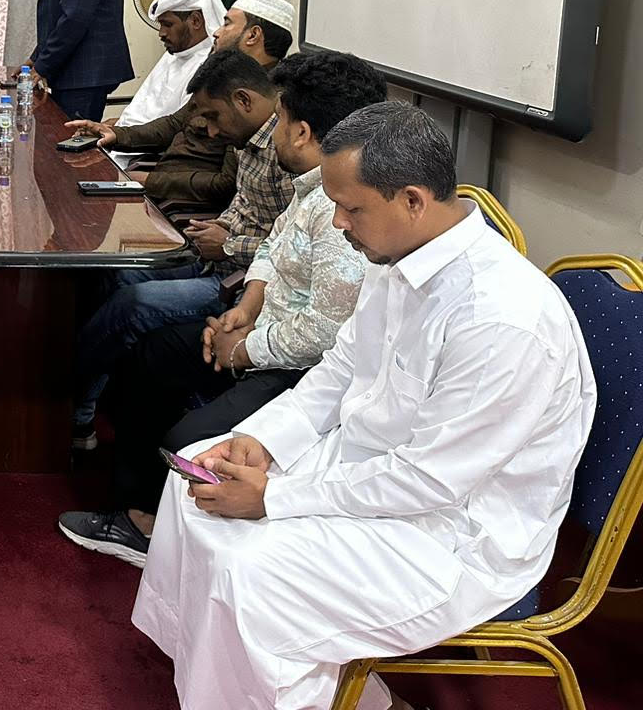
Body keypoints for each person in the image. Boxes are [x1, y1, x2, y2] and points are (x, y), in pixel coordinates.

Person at [133, 102, 595, 710]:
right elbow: (341, 369)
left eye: (351, 208)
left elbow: (431, 480)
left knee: (254, 571)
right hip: (370, 471)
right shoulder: (398, 252)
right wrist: (264, 439)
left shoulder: (502, 319)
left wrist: (276, 498)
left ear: (412, 200)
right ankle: (257, 685)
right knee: (198, 468)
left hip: (451, 534)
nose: (339, 223)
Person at [59, 51, 387, 566]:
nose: (274, 133)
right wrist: (247, 305)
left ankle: (159, 531)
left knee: (185, 437)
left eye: (281, 121)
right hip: (259, 328)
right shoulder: (312, 186)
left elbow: (325, 334)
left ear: (302, 132)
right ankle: (136, 513)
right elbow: (274, 248)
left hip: (295, 366)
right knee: (148, 356)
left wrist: (242, 349)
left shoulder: (340, 206)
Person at [70, 49, 295, 450]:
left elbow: (288, 248)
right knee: (112, 270)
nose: (210, 131)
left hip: (242, 281)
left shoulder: (289, 151)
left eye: (213, 117)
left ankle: (67, 400)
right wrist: (222, 227)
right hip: (215, 255)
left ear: (243, 100)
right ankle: (86, 401)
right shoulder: (246, 137)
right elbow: (243, 205)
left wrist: (229, 244)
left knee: (134, 303)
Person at [73, 0, 296, 215]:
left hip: (184, 207)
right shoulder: (222, 76)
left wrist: (150, 181)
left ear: (253, 35)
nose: (216, 32)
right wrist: (116, 135)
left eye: (227, 24)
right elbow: (174, 123)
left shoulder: (258, 100)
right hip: (160, 185)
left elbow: (227, 184)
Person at [113, 0, 227, 132]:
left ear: (196, 21)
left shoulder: (211, 66)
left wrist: (120, 134)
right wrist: (116, 125)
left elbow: (174, 129)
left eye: (168, 25)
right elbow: (143, 110)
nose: (161, 33)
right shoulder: (175, 54)